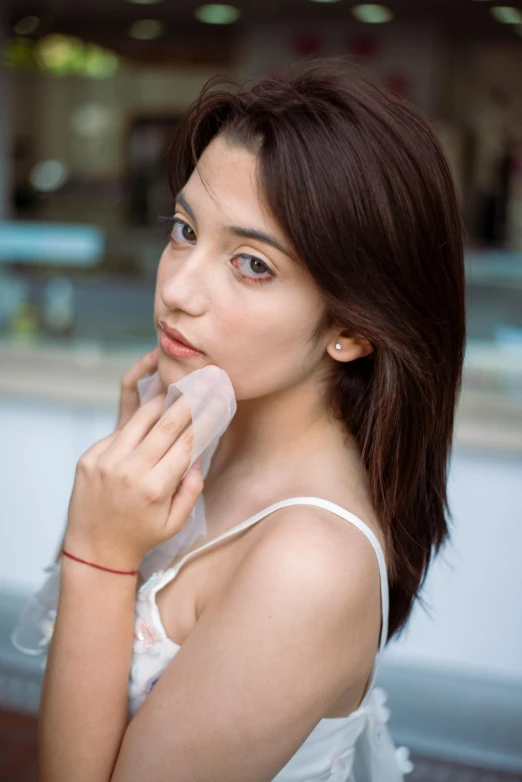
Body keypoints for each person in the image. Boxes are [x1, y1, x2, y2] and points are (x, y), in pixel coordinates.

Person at [14, 58, 465, 781]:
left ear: (348, 327)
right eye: (185, 229)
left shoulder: (309, 565)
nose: (178, 289)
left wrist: (100, 551)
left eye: (252, 264)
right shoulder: (207, 443)